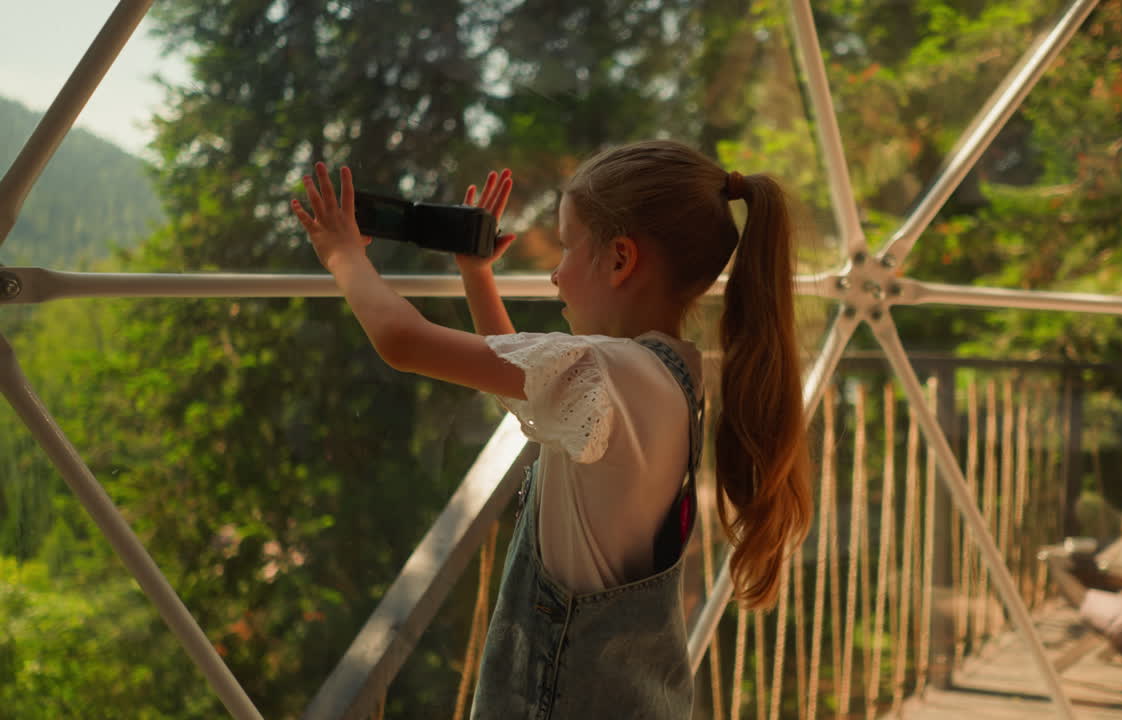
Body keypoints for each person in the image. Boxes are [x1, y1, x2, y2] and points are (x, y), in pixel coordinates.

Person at [290, 139, 812, 719]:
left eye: (566, 248)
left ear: (619, 259)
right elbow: (522, 386)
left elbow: (403, 341)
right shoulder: (664, 378)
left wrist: (343, 255)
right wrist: (477, 275)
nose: (555, 275)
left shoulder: (610, 372)